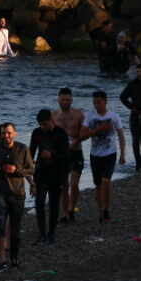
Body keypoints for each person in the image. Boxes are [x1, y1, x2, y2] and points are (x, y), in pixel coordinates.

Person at [0, 123, 34, 270]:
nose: (6, 136)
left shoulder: (22, 148)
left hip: (17, 194)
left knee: (15, 228)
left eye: (9, 133)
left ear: (15, 134)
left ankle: (14, 259)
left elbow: (31, 169)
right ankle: (1, 259)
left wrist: (16, 170)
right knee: (0, 227)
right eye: (3, 133)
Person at [81, 90, 127, 224]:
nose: (96, 105)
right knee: (98, 185)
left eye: (99, 102)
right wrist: (97, 130)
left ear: (105, 101)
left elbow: (121, 136)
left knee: (106, 181)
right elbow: (82, 135)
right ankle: (101, 209)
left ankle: (106, 209)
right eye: (94, 102)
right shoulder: (90, 116)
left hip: (110, 154)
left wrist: (123, 154)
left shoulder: (114, 116)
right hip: (95, 155)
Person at [29, 109, 70, 244]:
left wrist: (52, 155)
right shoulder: (37, 133)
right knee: (39, 203)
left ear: (51, 119)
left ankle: (51, 234)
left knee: (53, 204)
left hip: (57, 173)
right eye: (41, 124)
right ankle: (41, 234)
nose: (43, 127)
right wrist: (29, 171)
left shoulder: (61, 133)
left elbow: (66, 155)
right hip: (40, 172)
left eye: (45, 124)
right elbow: (31, 152)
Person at [53, 88, 87, 223]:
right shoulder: (54, 115)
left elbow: (85, 132)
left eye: (67, 99)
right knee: (63, 185)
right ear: (58, 99)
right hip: (61, 154)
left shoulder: (79, 114)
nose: (65, 102)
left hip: (76, 152)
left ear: (71, 100)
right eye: (62, 99)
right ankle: (65, 212)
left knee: (74, 184)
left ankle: (72, 208)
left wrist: (76, 141)